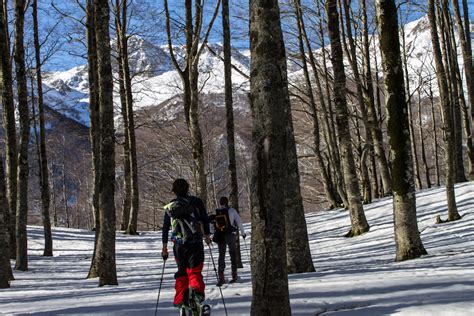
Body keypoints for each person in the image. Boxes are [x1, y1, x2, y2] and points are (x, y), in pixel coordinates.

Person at [161, 178, 211, 312]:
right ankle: (195, 294)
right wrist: (206, 235)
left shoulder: (171, 206)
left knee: (182, 272)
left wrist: (164, 247)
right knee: (194, 271)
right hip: (195, 243)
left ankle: (180, 299)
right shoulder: (196, 202)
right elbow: (205, 219)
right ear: (188, 188)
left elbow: (165, 228)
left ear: (174, 190)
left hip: (178, 245)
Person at [212, 196, 246, 286]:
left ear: (220, 203)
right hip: (230, 234)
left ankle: (221, 276)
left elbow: (212, 225)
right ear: (227, 202)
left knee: (221, 255)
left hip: (220, 235)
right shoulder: (232, 211)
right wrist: (243, 233)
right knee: (232, 254)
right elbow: (239, 222)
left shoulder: (216, 211)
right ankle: (234, 275)